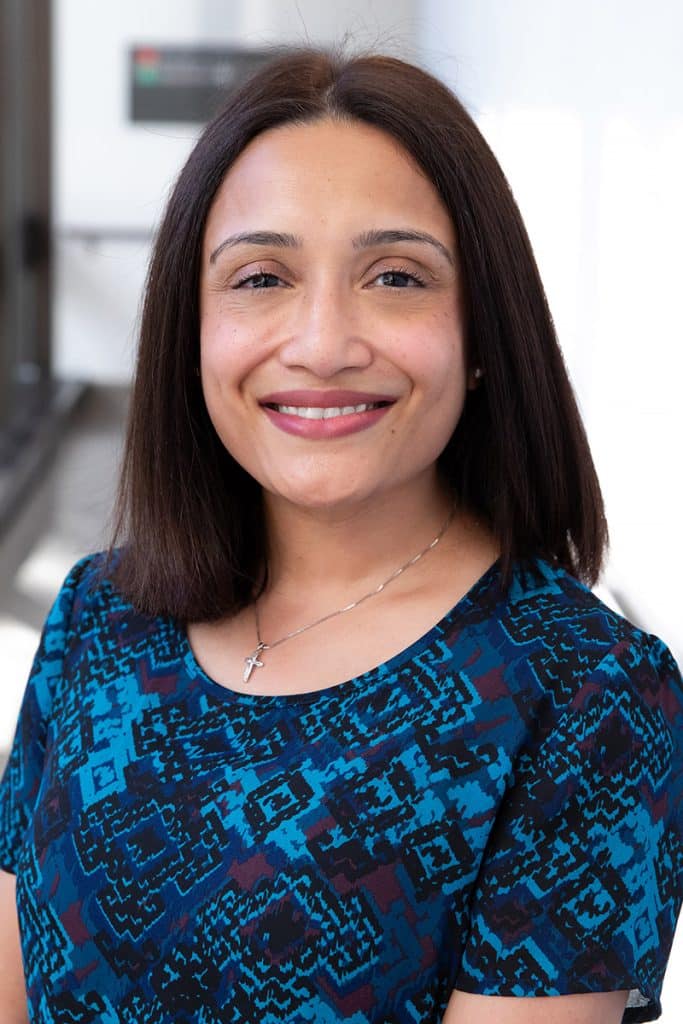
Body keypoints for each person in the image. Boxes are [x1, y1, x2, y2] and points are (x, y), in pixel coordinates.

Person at [0, 46, 681, 1024]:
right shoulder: (95, 620)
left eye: (396, 276)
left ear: (483, 332)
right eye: (261, 277)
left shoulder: (588, 697)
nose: (321, 343)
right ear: (190, 327)